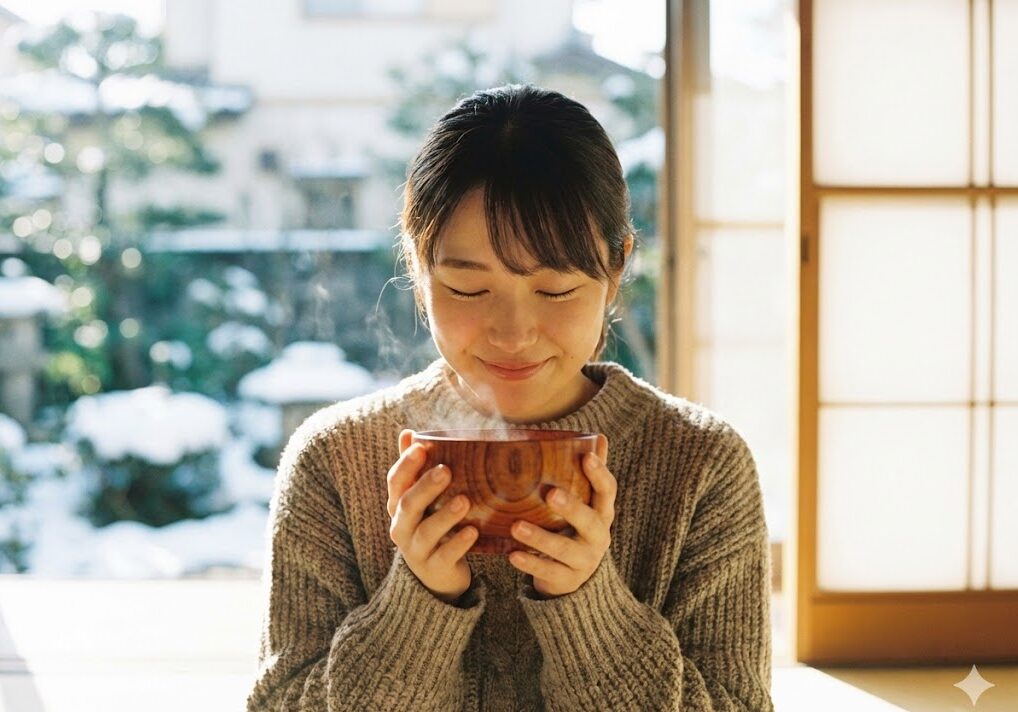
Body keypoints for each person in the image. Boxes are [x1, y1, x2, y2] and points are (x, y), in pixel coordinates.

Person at [246, 84, 775, 711]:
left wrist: (590, 610)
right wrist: (415, 604)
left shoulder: (702, 464)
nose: (513, 332)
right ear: (418, 265)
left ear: (616, 267)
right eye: (468, 289)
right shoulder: (336, 458)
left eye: (554, 290)